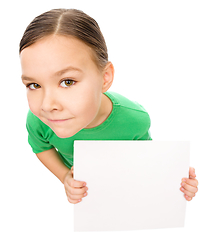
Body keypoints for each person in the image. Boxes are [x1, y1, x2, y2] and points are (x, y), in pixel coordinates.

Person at [19, 8, 198, 204]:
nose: (47, 105)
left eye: (67, 81)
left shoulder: (135, 119)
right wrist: (65, 177)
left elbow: (146, 161)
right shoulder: (38, 120)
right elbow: (41, 147)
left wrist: (174, 180)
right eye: (34, 85)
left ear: (105, 77)